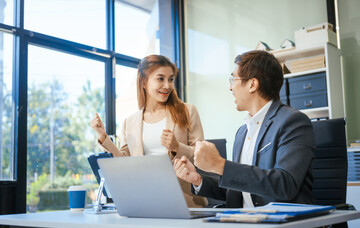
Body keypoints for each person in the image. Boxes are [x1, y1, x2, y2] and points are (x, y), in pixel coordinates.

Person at [173, 50, 316, 210]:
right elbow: (238, 191)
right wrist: (198, 180)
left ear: (252, 84)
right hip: (244, 224)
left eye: (233, 79)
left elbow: (284, 184)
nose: (230, 87)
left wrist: (219, 165)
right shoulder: (242, 132)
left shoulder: (292, 122)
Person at [90, 54, 207, 208]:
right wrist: (102, 136)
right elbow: (124, 161)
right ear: (143, 81)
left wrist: (176, 147)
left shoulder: (187, 111)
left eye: (171, 79)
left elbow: (201, 156)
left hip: (184, 201)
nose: (167, 85)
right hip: (145, 201)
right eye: (160, 79)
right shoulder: (130, 122)